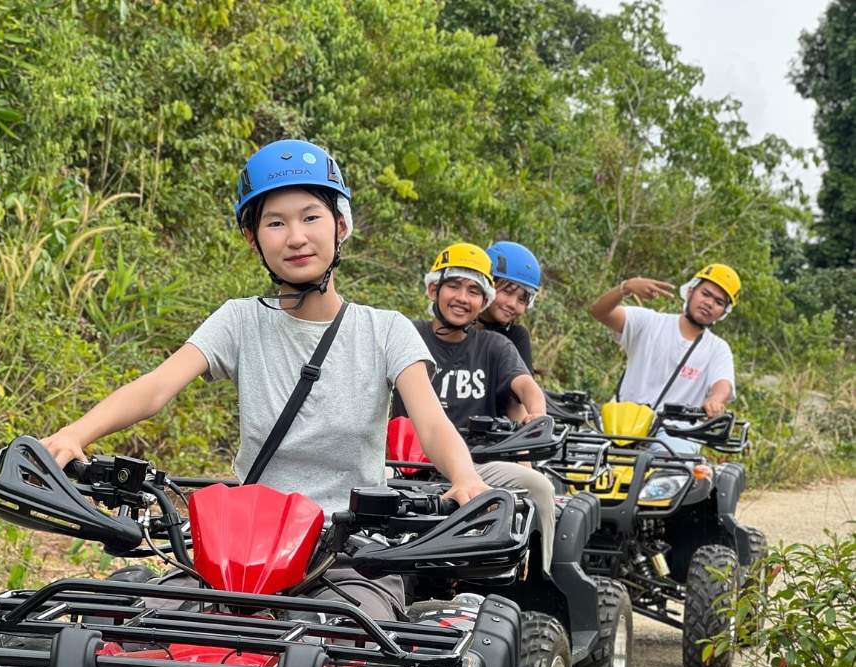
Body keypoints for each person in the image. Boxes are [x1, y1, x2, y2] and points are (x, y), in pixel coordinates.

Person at [42, 139, 489, 619]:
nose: (295, 236)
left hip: (347, 554)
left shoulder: (385, 330)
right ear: (253, 239)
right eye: (276, 222)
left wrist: (465, 478)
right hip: (236, 549)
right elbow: (156, 387)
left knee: (351, 657)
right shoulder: (239, 321)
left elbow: (431, 423)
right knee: (141, 635)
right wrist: (73, 435)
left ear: (341, 227)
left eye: (311, 217)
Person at [391, 242, 561, 576]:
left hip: (476, 464)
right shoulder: (405, 333)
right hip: (401, 464)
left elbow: (526, 386)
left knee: (540, 487)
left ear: (483, 301)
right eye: (453, 286)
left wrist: (536, 414)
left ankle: (538, 580)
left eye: (473, 291)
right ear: (433, 289)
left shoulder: (495, 345)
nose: (462, 298)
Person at [589, 264, 740, 418]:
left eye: (719, 302)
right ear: (690, 292)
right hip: (621, 422)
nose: (709, 303)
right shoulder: (649, 322)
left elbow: (723, 383)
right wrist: (625, 287)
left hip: (676, 432)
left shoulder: (717, 348)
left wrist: (715, 400)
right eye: (705, 294)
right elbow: (599, 312)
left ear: (723, 313)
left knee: (671, 443)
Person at [479, 240, 542, 372]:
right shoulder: (458, 325)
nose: (512, 304)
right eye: (507, 292)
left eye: (522, 299)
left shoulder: (516, 337)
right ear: (487, 285)